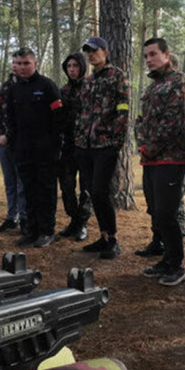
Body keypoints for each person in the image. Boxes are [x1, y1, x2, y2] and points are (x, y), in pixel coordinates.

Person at [135, 38, 185, 286]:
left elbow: (173, 122)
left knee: (167, 212)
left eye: (153, 54)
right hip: (151, 159)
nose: (149, 59)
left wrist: (150, 147)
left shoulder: (180, 83)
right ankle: (165, 259)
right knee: (156, 211)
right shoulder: (152, 87)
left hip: (171, 158)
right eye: (146, 55)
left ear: (166, 54)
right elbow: (140, 120)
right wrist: (142, 145)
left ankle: (177, 265)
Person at [75, 37, 130, 260]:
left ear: (105, 52)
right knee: (90, 191)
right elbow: (82, 111)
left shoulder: (117, 76)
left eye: (94, 51)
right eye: (87, 51)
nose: (90, 55)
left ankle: (113, 240)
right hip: (85, 145)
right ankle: (103, 236)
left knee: (101, 191)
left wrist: (115, 139)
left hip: (105, 144)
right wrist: (79, 138)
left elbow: (123, 108)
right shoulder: (87, 81)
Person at [5, 48, 63, 248]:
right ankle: (31, 231)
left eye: (26, 63)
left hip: (45, 150)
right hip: (23, 150)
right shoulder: (13, 90)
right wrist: (13, 145)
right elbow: (10, 120)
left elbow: (58, 119)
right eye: (18, 63)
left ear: (35, 64)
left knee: (45, 191)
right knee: (28, 191)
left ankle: (47, 231)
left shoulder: (47, 86)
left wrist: (54, 146)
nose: (22, 67)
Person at [57, 51, 92, 241]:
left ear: (82, 67)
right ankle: (74, 220)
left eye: (75, 66)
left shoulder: (90, 88)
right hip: (68, 146)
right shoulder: (63, 91)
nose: (72, 69)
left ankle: (82, 224)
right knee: (66, 186)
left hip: (86, 146)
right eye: (69, 66)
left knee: (86, 188)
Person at [0, 71, 27, 232]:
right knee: (9, 182)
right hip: (5, 143)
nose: (17, 67)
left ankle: (24, 217)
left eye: (21, 63)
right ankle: (11, 217)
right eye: (15, 63)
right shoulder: (4, 88)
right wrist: (0, 134)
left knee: (22, 182)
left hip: (22, 143)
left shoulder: (31, 86)